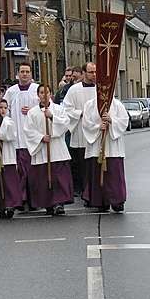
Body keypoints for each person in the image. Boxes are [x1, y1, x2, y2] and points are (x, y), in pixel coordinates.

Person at [24, 84, 73, 215]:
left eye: (46, 92)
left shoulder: (58, 109)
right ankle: (48, 204)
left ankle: (59, 203)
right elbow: (28, 131)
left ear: (51, 94)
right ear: (37, 95)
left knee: (59, 178)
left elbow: (66, 124)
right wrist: (40, 137)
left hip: (57, 148)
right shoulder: (32, 112)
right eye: (41, 93)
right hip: (42, 150)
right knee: (44, 179)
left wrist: (52, 117)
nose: (44, 95)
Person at [3, 62, 40, 209]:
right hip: (17, 137)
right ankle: (21, 198)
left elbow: (45, 106)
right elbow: (5, 110)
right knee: (19, 171)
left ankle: (34, 200)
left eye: (27, 71)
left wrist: (32, 109)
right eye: (22, 72)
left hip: (33, 137)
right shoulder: (11, 92)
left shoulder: (37, 89)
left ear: (31, 74)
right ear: (17, 74)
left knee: (33, 171)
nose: (24, 74)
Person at [82, 96, 129, 212]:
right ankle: (100, 201)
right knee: (97, 174)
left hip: (113, 148)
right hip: (96, 146)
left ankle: (117, 200)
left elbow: (124, 121)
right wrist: (98, 127)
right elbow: (86, 124)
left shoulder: (117, 105)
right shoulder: (90, 105)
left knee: (114, 175)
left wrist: (111, 120)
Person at [62, 62, 97, 196]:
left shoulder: (100, 89)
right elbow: (66, 109)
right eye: (90, 72)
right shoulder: (74, 90)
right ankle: (82, 189)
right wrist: (81, 113)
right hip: (80, 132)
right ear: (83, 73)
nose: (93, 75)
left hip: (96, 132)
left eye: (95, 72)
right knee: (81, 164)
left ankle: (93, 190)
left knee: (93, 165)